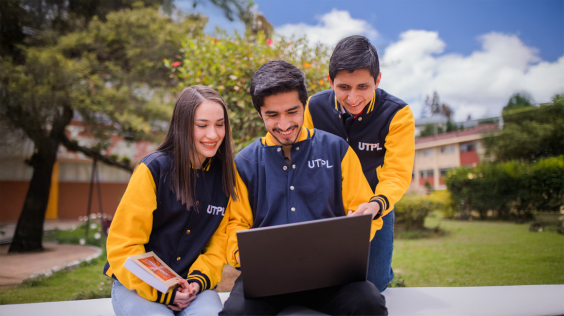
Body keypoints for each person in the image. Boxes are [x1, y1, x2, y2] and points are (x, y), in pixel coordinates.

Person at [220, 60, 388, 315]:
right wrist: (238, 253)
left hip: (333, 278)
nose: (284, 125)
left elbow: (363, 210)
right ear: (260, 114)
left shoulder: (337, 150)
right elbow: (235, 223)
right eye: (272, 115)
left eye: (292, 112)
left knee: (370, 304)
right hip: (267, 280)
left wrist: (362, 220)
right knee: (235, 313)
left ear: (304, 107)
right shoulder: (243, 163)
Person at [104, 85, 237, 316]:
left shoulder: (226, 176)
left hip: (194, 288)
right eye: (202, 125)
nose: (213, 135)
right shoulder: (153, 169)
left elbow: (217, 247)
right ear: (183, 126)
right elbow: (124, 246)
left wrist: (196, 282)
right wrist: (164, 290)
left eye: (219, 124)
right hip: (138, 286)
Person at [303, 35, 415, 292]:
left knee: (375, 282)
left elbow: (397, 173)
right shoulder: (313, 107)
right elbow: (304, 157)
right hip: (327, 205)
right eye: (343, 87)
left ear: (377, 80)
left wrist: (376, 204)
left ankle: (382, 270)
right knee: (324, 278)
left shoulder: (397, 114)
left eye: (363, 87)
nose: (353, 98)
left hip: (375, 205)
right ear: (330, 81)